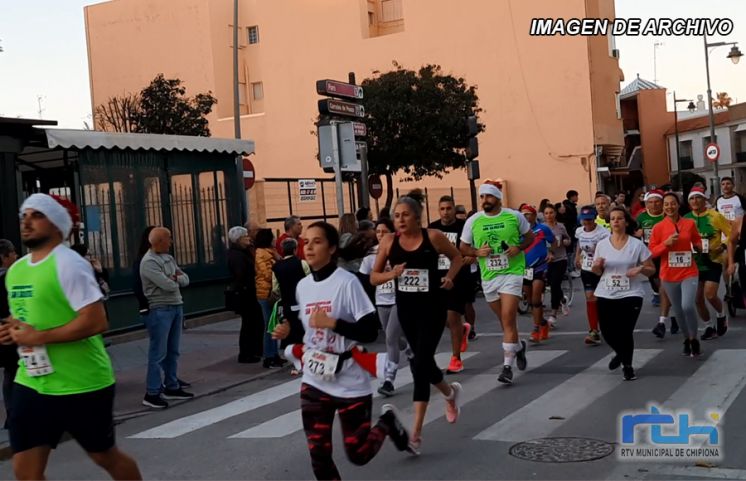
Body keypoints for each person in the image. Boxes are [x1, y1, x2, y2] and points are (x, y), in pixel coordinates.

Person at [0, 194, 141, 480]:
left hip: (82, 383)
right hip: (31, 381)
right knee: (25, 469)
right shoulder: (16, 270)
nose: (26, 222)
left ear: (57, 224)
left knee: (104, 456)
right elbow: (24, 317)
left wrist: (39, 336)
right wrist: (11, 330)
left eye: (36, 215)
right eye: (23, 215)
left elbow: (96, 320)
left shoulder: (69, 264)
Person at [272, 222, 413, 479]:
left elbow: (370, 330)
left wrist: (333, 323)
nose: (309, 246)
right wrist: (286, 330)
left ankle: (387, 424)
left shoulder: (347, 283)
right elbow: (301, 326)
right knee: (318, 454)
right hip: (315, 378)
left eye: (317, 241)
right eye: (307, 241)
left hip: (349, 376)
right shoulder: (302, 286)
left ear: (332, 247)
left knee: (358, 453)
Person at [371, 195, 464, 452]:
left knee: (420, 364)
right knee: (423, 363)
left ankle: (415, 435)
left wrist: (449, 278)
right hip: (406, 311)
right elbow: (374, 277)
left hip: (433, 308)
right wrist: (393, 273)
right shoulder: (389, 242)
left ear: (417, 217)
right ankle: (449, 393)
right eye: (396, 215)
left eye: (405, 215)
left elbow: (457, 258)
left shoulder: (432, 237)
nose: (400, 220)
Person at [460, 181, 533, 384]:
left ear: (498, 198)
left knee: (509, 316)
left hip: (512, 272)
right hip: (489, 276)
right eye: (482, 197)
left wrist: (518, 247)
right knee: (505, 322)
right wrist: (477, 252)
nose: (485, 201)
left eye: (489, 197)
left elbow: (530, 237)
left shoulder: (514, 216)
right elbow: (463, 248)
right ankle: (518, 347)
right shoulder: (473, 221)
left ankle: (507, 368)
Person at [591, 207, 655, 381]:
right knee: (607, 331)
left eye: (620, 218)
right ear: (609, 223)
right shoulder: (602, 245)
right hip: (606, 292)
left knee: (625, 331)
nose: (616, 221)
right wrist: (597, 266)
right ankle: (620, 353)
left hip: (631, 293)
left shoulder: (636, 244)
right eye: (613, 219)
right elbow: (597, 271)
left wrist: (640, 268)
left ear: (626, 222)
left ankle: (628, 366)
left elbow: (651, 269)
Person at [140, 227, 194, 408]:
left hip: (176, 305)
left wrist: (175, 278)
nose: (171, 241)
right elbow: (167, 285)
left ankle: (172, 386)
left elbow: (185, 279)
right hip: (160, 308)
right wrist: (175, 279)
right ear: (160, 241)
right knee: (158, 352)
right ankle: (152, 392)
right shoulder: (148, 262)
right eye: (169, 238)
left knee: (173, 350)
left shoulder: (168, 258)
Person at [359, 219, 410, 396]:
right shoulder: (371, 255)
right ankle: (411, 351)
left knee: (390, 337)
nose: (380, 235)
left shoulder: (400, 250)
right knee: (396, 338)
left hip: (399, 300)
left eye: (384, 231)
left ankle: (389, 379)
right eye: (378, 231)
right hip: (381, 301)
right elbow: (366, 279)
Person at [649, 192, 703, 357]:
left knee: (687, 305)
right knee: (678, 310)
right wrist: (665, 244)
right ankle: (687, 339)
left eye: (673, 203)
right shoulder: (658, 228)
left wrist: (700, 247)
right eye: (666, 204)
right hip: (668, 274)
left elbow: (697, 240)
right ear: (663, 207)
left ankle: (694, 339)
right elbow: (652, 252)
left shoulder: (689, 223)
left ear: (678, 205)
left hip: (689, 271)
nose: (669, 207)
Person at [427, 195, 473, 373]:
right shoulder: (433, 228)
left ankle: (456, 359)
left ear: (455, 209)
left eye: (449, 208)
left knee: (452, 315)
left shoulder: (463, 227)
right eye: (442, 209)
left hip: (458, 278)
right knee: (440, 317)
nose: (445, 212)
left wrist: (471, 256)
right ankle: (462, 331)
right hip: (437, 277)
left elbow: (471, 248)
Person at [685, 187, 731, 340]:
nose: (695, 201)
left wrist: (722, 246)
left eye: (698, 198)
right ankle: (709, 326)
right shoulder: (685, 219)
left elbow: (731, 234)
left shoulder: (715, 216)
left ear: (704, 200)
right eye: (692, 198)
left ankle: (721, 315)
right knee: (697, 299)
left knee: (710, 295)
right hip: (694, 263)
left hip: (713, 260)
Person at [636, 190, 678, 338]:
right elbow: (633, 234)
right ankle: (672, 315)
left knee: (664, 288)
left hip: (667, 255)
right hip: (650, 255)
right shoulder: (641, 217)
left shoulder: (667, 215)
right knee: (658, 287)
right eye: (651, 202)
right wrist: (637, 234)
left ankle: (670, 319)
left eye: (657, 202)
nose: (654, 205)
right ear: (646, 203)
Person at [227, 226, 264, 364]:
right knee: (249, 323)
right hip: (246, 293)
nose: (248, 238)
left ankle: (254, 350)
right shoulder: (237, 255)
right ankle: (246, 353)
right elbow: (240, 274)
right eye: (245, 236)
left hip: (249, 291)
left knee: (254, 323)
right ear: (238, 239)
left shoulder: (245, 251)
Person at [518, 204, 555, 343]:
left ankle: (536, 328)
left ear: (534, 215)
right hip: (525, 269)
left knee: (535, 300)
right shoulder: (517, 231)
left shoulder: (543, 228)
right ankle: (543, 323)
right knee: (529, 300)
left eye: (528, 214)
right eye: (523, 214)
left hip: (540, 267)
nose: (525, 217)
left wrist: (551, 252)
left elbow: (553, 242)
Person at [575, 205, 610, 345]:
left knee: (603, 299)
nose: (587, 223)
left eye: (589, 220)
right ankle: (593, 331)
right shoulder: (579, 231)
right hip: (586, 268)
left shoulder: (603, 232)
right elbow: (579, 244)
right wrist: (577, 256)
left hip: (601, 269)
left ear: (595, 218)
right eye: (584, 220)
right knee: (590, 297)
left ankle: (608, 326)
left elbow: (607, 248)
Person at [272, 237, 311, 352]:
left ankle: (291, 350)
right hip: (301, 301)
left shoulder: (276, 267)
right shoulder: (302, 263)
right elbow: (309, 280)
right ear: (295, 249)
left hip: (287, 302)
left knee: (289, 326)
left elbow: (275, 288)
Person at [255, 228, 285, 369]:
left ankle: (274, 354)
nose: (274, 240)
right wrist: (277, 266)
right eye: (272, 237)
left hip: (272, 292)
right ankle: (268, 356)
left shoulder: (270, 252)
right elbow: (266, 274)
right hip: (266, 293)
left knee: (274, 324)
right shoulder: (261, 254)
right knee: (269, 325)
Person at [543, 204, 571, 327]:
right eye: (546, 213)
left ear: (555, 213)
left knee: (555, 284)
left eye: (551, 212)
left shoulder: (560, 227)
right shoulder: (542, 228)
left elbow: (568, 240)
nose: (549, 215)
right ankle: (563, 300)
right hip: (547, 260)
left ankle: (553, 314)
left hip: (560, 259)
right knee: (552, 283)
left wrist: (566, 241)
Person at [0, 239, 18, 429]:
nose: (15, 256)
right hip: (11, 332)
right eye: (12, 253)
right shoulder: (9, 279)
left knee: (10, 373)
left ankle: (12, 415)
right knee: (15, 372)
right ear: (4, 257)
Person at [562, 190, 580, 277]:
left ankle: (571, 268)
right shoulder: (568, 207)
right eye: (576, 196)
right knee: (570, 251)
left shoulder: (571, 206)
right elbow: (569, 220)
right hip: (570, 231)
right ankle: (570, 269)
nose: (577, 198)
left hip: (572, 230)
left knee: (572, 250)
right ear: (572, 196)